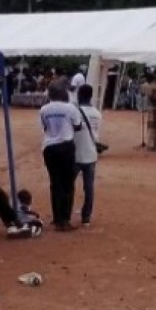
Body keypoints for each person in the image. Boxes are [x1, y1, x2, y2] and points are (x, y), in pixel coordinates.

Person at [38, 84, 81, 231]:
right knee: (68, 184)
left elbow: (45, 127)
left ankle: (56, 218)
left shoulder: (44, 109)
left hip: (49, 147)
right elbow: (78, 125)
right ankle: (65, 219)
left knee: (55, 183)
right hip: (66, 146)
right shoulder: (70, 108)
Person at [71, 84, 102, 227]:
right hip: (91, 153)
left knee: (68, 186)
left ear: (79, 95)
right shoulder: (97, 113)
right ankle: (86, 217)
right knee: (89, 187)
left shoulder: (75, 112)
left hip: (75, 153)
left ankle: (65, 213)